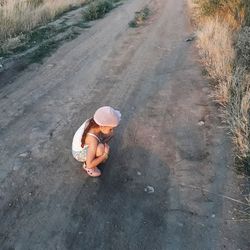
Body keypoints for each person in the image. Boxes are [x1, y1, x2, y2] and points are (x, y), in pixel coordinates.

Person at [72, 106, 121, 177]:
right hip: (79, 153)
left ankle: (97, 152)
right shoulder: (92, 140)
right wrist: (105, 155)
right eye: (110, 129)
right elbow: (90, 164)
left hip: (83, 144)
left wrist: (107, 135)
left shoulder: (95, 122)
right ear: (102, 126)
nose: (112, 131)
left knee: (109, 135)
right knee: (100, 149)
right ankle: (88, 167)